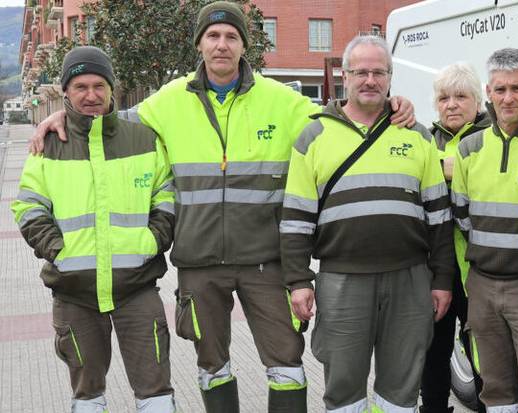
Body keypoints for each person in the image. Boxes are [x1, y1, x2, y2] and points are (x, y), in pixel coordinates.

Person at [28, 3, 414, 412]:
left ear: (244, 45)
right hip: (200, 264)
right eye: (213, 36)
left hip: (267, 261)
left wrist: (392, 104)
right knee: (212, 365)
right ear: (199, 44)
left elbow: (342, 121)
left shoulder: (280, 101)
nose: (222, 45)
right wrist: (56, 120)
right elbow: (108, 123)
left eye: (232, 36)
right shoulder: (170, 100)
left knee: (287, 362)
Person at [280, 34, 454, 412]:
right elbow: (295, 218)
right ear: (345, 75)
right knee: (343, 383)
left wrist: (441, 280)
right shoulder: (314, 136)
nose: (370, 80)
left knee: (403, 382)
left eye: (378, 72)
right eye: (361, 71)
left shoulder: (416, 134)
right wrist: (297, 281)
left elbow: (439, 217)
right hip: (342, 281)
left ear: (391, 77)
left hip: (409, 279)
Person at [12, 46, 176, 413]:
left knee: (156, 392)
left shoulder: (143, 139)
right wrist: (57, 249)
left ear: (112, 89)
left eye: (99, 85)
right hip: (74, 292)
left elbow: (165, 193)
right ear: (66, 92)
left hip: (137, 287)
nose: (91, 95)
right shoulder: (48, 146)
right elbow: (28, 206)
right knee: (87, 396)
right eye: (81, 86)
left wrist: (153, 238)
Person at [451, 48, 518, 413]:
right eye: (500, 90)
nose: (508, 98)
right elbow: (461, 216)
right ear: (488, 93)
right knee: (494, 389)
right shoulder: (470, 149)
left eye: (516, 88)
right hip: (482, 287)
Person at [420, 62, 489, 413]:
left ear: (477, 101)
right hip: (435, 270)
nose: (451, 105)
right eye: (443, 98)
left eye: (461, 96)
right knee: (432, 351)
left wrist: (447, 167)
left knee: (484, 355)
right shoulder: (425, 139)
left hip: (479, 270)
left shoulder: (493, 138)